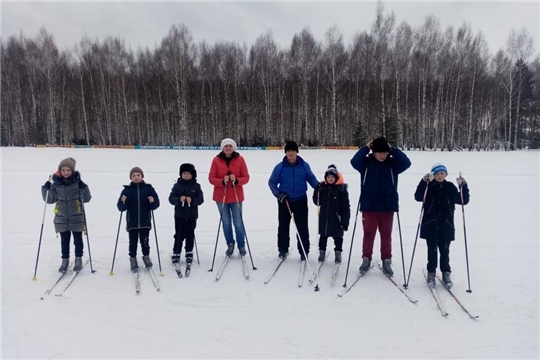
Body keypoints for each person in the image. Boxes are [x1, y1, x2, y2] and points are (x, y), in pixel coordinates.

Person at [350, 136, 411, 276]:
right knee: (369, 234)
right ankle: (366, 259)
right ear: (373, 152)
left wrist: (393, 149)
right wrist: (366, 148)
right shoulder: (366, 163)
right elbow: (354, 161)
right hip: (369, 205)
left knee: (386, 235)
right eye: (379, 152)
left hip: (388, 205)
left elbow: (406, 163)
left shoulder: (393, 164)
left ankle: (387, 260)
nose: (382, 155)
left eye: (385, 152)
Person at [414, 163, 470, 288]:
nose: (439, 176)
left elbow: (463, 200)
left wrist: (463, 186)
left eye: (442, 173)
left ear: (446, 174)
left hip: (446, 225)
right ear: (432, 175)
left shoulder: (450, 187)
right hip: (430, 225)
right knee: (432, 252)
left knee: (445, 252)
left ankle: (446, 273)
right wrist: (423, 182)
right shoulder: (429, 186)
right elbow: (418, 197)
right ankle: (431, 273)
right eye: (437, 173)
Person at [268, 140, 320, 260]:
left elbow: (310, 178)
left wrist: (317, 186)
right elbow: (272, 182)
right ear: (285, 153)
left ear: (297, 152)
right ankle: (283, 249)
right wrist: (278, 194)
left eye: (293, 151)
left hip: (300, 199)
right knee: (283, 226)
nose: (291, 153)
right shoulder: (280, 167)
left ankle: (304, 251)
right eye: (288, 151)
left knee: (302, 226)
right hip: (284, 200)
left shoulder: (304, 165)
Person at [41, 157, 92, 272]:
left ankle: (78, 259)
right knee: (64, 241)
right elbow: (49, 200)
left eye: (68, 170)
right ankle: (65, 260)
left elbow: (87, 198)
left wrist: (84, 187)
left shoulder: (77, 183)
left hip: (77, 216)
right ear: (60, 171)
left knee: (78, 240)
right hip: (61, 217)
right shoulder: (56, 185)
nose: (66, 173)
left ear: (72, 171)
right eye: (63, 170)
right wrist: (45, 189)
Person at [208, 138, 250, 257]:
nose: (228, 148)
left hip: (236, 196)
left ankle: (241, 245)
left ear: (233, 148)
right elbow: (211, 178)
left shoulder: (240, 159)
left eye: (230, 146)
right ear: (222, 148)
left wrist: (237, 180)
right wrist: (222, 181)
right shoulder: (216, 160)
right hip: (221, 197)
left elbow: (246, 177)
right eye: (226, 146)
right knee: (226, 222)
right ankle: (230, 244)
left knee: (238, 222)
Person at [117, 167, 160, 271]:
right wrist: (123, 201)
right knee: (133, 242)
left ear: (142, 176)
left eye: (138, 175)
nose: (136, 177)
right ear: (131, 177)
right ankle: (132, 258)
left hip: (145, 221)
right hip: (132, 222)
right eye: (133, 176)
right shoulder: (127, 190)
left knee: (145, 241)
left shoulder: (148, 189)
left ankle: (146, 257)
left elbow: (155, 205)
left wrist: (152, 201)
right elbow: (121, 208)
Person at [312, 165, 351, 263]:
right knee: (323, 236)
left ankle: (338, 253)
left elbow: (346, 207)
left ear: (336, 178)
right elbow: (317, 202)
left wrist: (345, 221)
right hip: (324, 217)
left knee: (338, 237)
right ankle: (322, 252)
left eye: (332, 177)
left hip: (337, 218)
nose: (330, 179)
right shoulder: (323, 188)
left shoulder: (341, 190)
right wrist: (317, 190)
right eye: (328, 177)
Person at [169, 163, 204, 265]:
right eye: (184, 173)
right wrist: (179, 200)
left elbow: (200, 199)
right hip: (179, 215)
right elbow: (171, 199)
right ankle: (176, 252)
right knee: (178, 235)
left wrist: (192, 200)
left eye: (188, 173)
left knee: (190, 234)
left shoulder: (196, 186)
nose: (186, 175)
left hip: (192, 215)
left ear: (193, 174)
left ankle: (189, 252)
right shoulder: (177, 186)